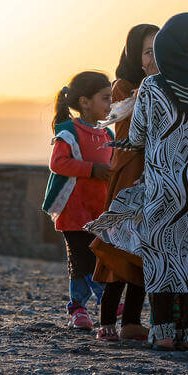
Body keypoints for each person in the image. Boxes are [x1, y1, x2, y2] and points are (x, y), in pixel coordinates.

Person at [90, 12, 188, 350]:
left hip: (158, 187)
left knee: (159, 255)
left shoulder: (153, 86)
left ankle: (162, 332)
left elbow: (137, 136)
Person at [90, 23, 158, 343]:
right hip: (129, 175)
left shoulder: (161, 86)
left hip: (154, 175)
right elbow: (135, 127)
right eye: (148, 51)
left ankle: (132, 320)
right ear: (135, 54)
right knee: (119, 244)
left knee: (144, 247)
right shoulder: (122, 87)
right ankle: (107, 320)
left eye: (160, 49)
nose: (154, 56)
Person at [42, 71, 114, 330]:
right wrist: (91, 170)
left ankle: (80, 306)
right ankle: (96, 302)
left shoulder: (107, 135)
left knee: (93, 258)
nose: (110, 105)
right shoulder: (69, 132)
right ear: (85, 102)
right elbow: (58, 163)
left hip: (99, 211)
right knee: (84, 258)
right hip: (73, 211)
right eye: (105, 99)